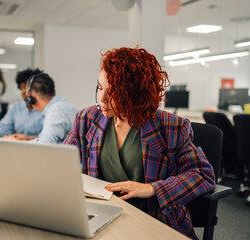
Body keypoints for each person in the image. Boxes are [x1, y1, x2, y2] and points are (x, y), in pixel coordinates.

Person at [63, 47, 215, 239]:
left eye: (114, 93)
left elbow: (202, 174)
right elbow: (60, 163)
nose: (101, 99)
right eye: (100, 88)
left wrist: (153, 188)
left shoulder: (171, 126)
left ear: (135, 95)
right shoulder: (86, 119)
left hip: (153, 222)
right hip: (101, 219)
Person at [6, 73, 77, 144]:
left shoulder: (55, 111)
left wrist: (14, 142)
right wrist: (28, 138)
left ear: (32, 99)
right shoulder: (64, 103)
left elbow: (45, 144)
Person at [0, 68, 44, 139]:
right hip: (18, 146)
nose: (23, 92)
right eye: (21, 89)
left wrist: (28, 138)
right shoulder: (16, 107)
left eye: (26, 88)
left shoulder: (46, 109)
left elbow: (51, 137)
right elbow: (4, 127)